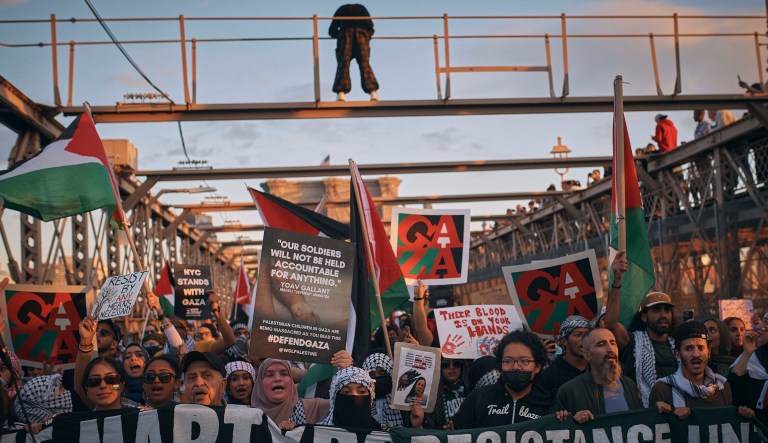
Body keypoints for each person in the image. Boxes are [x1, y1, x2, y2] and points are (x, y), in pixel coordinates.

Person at [604, 251, 677, 407]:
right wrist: (617, 281)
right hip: (646, 412)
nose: (663, 315)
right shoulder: (633, 342)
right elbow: (610, 324)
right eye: (656, 310)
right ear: (644, 316)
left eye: (667, 310)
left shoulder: (680, 343)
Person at [649, 321, 754, 420]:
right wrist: (668, 415)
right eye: (689, 348)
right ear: (677, 354)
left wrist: (742, 414)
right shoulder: (663, 389)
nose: (696, 354)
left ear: (708, 352)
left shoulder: (722, 387)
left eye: (701, 348)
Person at [452, 330, 553, 428]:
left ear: (537, 367)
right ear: (500, 365)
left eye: (524, 361)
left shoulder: (549, 403)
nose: (516, 367)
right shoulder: (479, 398)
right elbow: (457, 432)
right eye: (508, 361)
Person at [555, 328, 643, 423]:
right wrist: (573, 420)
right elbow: (561, 429)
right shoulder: (569, 392)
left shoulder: (629, 385)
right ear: (587, 355)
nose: (610, 349)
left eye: (613, 343)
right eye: (601, 344)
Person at [329, 4, 379, 101]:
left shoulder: (341, 9)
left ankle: (341, 93)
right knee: (364, 64)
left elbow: (332, 31)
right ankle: (373, 92)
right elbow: (371, 28)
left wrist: (340, 35)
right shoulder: (362, 8)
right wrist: (366, 36)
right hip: (361, 35)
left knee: (343, 64)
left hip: (346, 35)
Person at [537, 315, 590, 400]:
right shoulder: (550, 375)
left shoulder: (597, 367)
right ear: (564, 341)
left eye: (587, 335)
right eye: (578, 335)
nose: (584, 339)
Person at [362, 353, 403, 428]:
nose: (377, 378)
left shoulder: (401, 401)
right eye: (372, 375)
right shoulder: (361, 401)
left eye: (382, 373)